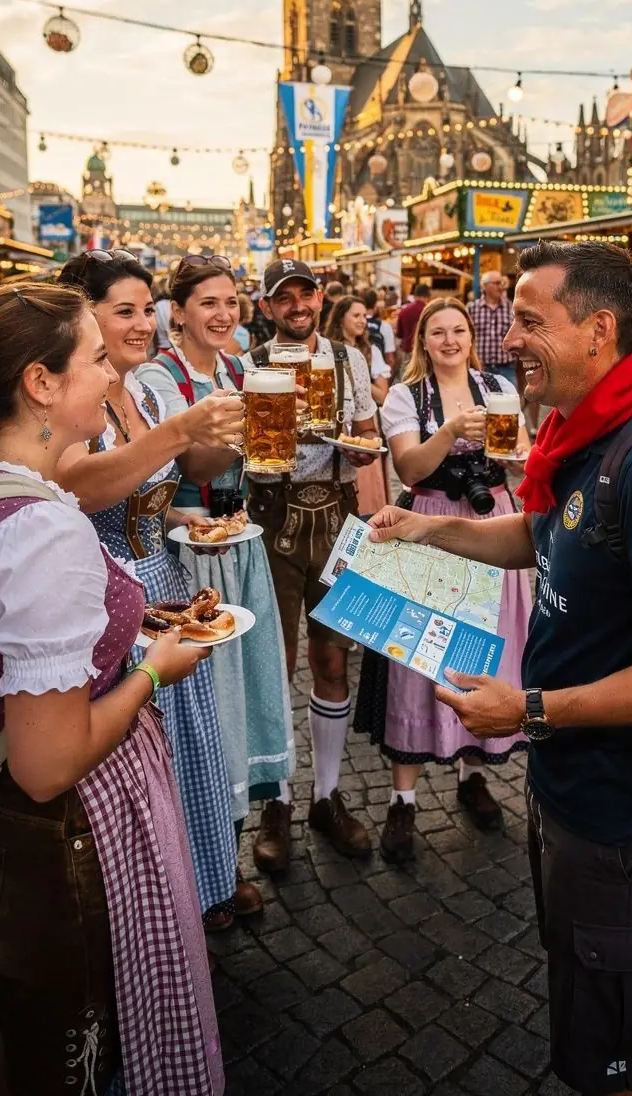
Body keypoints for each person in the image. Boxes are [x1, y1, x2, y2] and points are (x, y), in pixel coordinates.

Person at [368, 241, 632, 1096]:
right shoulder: (588, 436)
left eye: (531, 321)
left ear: (599, 330)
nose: (509, 340)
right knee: (623, 1017)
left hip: (628, 815)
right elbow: (543, 538)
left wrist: (529, 710)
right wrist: (427, 531)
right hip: (579, 796)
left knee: (616, 1054)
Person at [0, 283, 224, 1096]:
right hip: (70, 826)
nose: (108, 370)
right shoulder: (43, 530)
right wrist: (155, 669)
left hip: (22, 821)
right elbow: (48, 763)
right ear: (41, 385)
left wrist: (129, 620)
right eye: (92, 359)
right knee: (83, 1032)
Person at [55, 250, 261, 925]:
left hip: (166, 583)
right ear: (84, 316)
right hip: (110, 594)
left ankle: (199, 885)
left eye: (149, 309)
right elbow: (78, 488)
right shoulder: (71, 396)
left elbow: (152, 483)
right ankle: (155, 909)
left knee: (189, 745)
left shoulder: (138, 387)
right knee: (140, 754)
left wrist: (183, 510)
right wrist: (178, 430)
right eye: (126, 311)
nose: (144, 323)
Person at [354, 297, 531, 862]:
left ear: (469, 337)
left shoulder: (499, 389)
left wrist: (522, 458)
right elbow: (408, 469)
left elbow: (519, 453)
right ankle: (402, 800)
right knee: (418, 656)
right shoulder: (409, 396)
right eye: (438, 332)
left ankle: (471, 775)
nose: (450, 340)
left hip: (494, 524)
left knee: (486, 655)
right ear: (422, 342)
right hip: (426, 524)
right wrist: (452, 428)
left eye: (458, 330)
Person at [138, 256, 295, 892]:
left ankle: (228, 852)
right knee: (206, 707)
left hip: (241, 543)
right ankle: (205, 869)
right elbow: (191, 463)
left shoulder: (238, 365)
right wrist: (257, 425)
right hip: (188, 552)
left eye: (231, 302)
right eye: (208, 302)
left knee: (247, 694)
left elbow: (259, 461)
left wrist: (281, 429)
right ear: (178, 311)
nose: (223, 314)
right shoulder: (159, 376)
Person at [243, 259, 380, 868]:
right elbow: (232, 453)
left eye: (306, 294)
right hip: (273, 520)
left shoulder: (350, 360)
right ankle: (278, 801)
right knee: (277, 664)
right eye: (284, 298)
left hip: (338, 520)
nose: (297, 305)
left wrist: (359, 453)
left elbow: (369, 438)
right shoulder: (249, 367)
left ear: (320, 297)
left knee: (332, 658)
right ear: (268, 307)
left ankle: (326, 795)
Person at [326, 294, 389, 517]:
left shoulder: (370, 351)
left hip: (366, 426)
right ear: (340, 318)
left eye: (364, 315)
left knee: (370, 499)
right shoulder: (326, 353)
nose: (362, 320)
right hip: (341, 435)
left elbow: (382, 395)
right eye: (356, 315)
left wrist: (355, 375)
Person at [467, 270, 516, 383]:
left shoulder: (511, 308)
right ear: (485, 286)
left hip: (507, 368)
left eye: (502, 283)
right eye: (497, 283)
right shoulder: (472, 308)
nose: (501, 287)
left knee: (510, 400)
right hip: (480, 368)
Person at [363, 286, 396, 371]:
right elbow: (390, 359)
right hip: (378, 374)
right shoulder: (384, 326)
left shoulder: (356, 325)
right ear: (375, 305)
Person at [395, 282, 430, 358]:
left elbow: (399, 334)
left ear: (414, 296)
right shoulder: (430, 312)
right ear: (427, 296)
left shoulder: (404, 311)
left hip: (408, 353)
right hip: (425, 354)